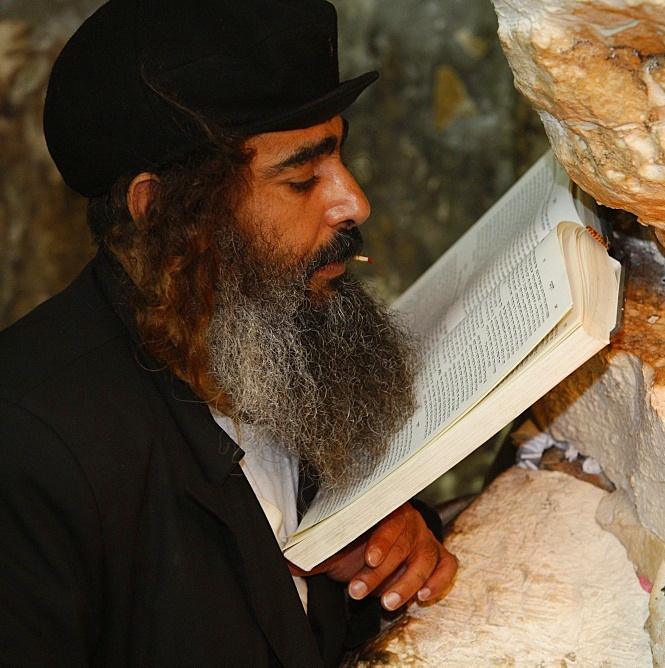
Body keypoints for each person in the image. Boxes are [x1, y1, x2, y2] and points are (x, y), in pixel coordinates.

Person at [0, 0, 458, 664]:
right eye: (302, 178)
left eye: (340, 157)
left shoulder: (278, 330)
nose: (353, 201)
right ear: (163, 212)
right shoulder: (28, 448)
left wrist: (391, 544)